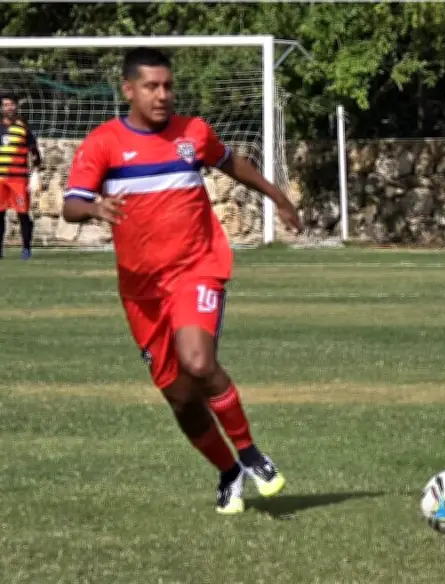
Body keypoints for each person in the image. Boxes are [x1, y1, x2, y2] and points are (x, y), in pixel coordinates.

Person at [62, 47, 304, 514]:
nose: (163, 95)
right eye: (152, 86)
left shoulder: (193, 133)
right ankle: (228, 471)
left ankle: (251, 455)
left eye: (169, 86)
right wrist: (94, 207)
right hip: (141, 289)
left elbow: (232, 163)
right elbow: (72, 203)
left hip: (198, 266)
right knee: (179, 397)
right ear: (128, 89)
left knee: (197, 361)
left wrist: (278, 198)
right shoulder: (104, 144)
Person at [0, 94, 42, 259]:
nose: (9, 107)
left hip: (19, 179)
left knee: (23, 214)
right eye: (6, 104)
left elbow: (35, 153)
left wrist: (36, 173)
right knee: (0, 215)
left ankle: (26, 248)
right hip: (0, 180)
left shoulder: (23, 127)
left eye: (12, 104)